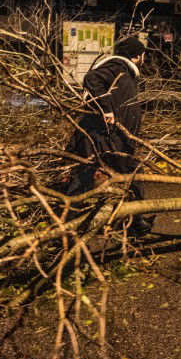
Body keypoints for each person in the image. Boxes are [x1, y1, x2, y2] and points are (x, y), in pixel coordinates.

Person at [66, 36, 154, 236]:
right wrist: (106, 110)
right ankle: (66, 226)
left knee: (127, 175)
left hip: (115, 138)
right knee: (86, 177)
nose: (145, 58)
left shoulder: (127, 73)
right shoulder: (119, 66)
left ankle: (135, 222)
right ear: (136, 55)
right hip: (103, 137)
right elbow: (91, 79)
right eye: (143, 54)